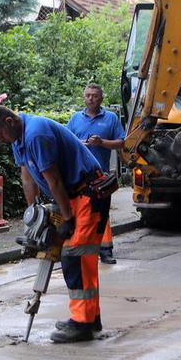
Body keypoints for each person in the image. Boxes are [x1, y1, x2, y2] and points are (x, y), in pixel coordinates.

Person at [0, 104, 108, 344]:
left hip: (88, 192)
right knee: (78, 259)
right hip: (72, 195)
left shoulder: (36, 133)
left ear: (9, 121)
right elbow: (27, 176)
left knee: (75, 257)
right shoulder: (18, 140)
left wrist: (67, 219)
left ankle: (82, 323)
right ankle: (90, 319)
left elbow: (54, 180)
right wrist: (35, 215)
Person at [67, 83, 127, 264]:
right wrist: (79, 144)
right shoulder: (75, 119)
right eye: (87, 95)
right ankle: (80, 249)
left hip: (100, 175)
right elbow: (66, 141)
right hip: (77, 174)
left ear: (101, 98)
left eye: (94, 95)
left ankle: (106, 250)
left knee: (102, 213)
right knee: (79, 212)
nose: (91, 98)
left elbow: (121, 143)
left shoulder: (110, 118)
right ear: (83, 97)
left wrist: (102, 143)